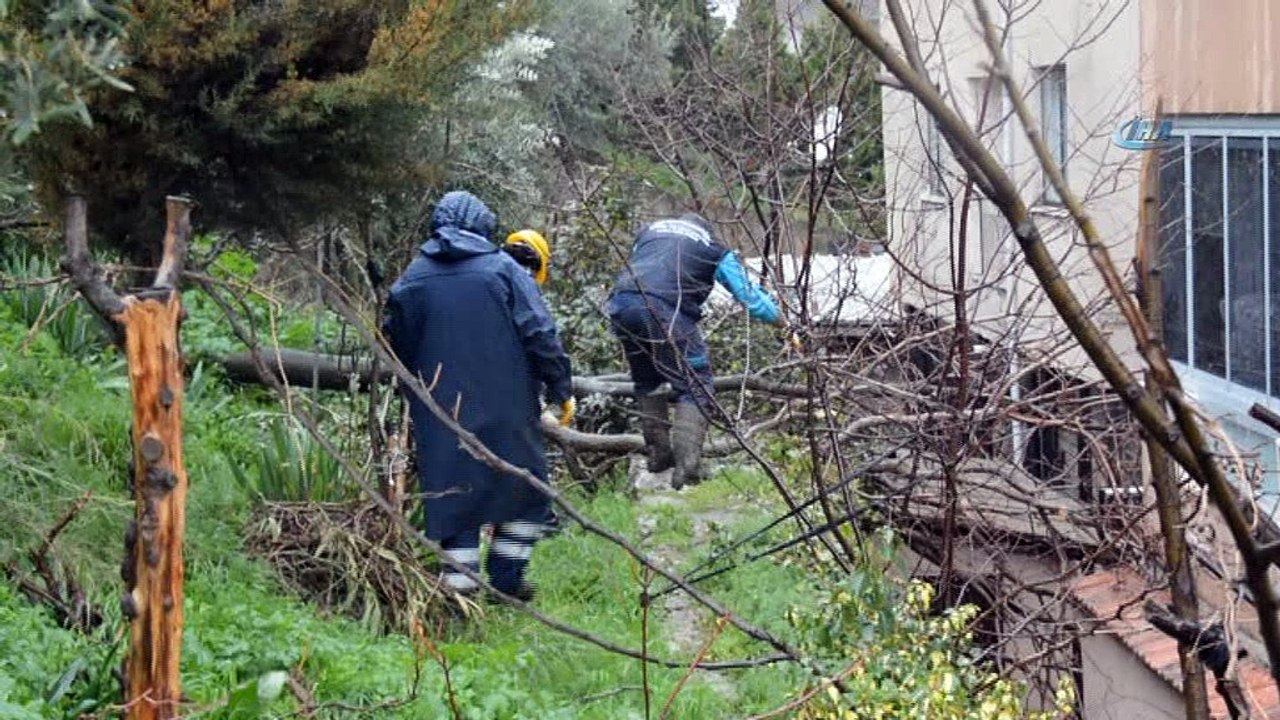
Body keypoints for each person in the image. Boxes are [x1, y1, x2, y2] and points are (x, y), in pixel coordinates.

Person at [382, 191, 575, 602]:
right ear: (483, 226)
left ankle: (460, 593)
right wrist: (560, 387)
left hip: (441, 411)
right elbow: (540, 332)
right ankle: (507, 583)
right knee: (528, 493)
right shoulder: (503, 270)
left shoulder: (412, 278)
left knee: (455, 496)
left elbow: (396, 344)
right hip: (509, 407)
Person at [606, 213, 781, 490]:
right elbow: (749, 296)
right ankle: (687, 472)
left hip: (622, 304)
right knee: (696, 385)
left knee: (647, 380)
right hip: (665, 310)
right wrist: (783, 321)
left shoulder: (648, 232)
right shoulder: (713, 248)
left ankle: (658, 459)